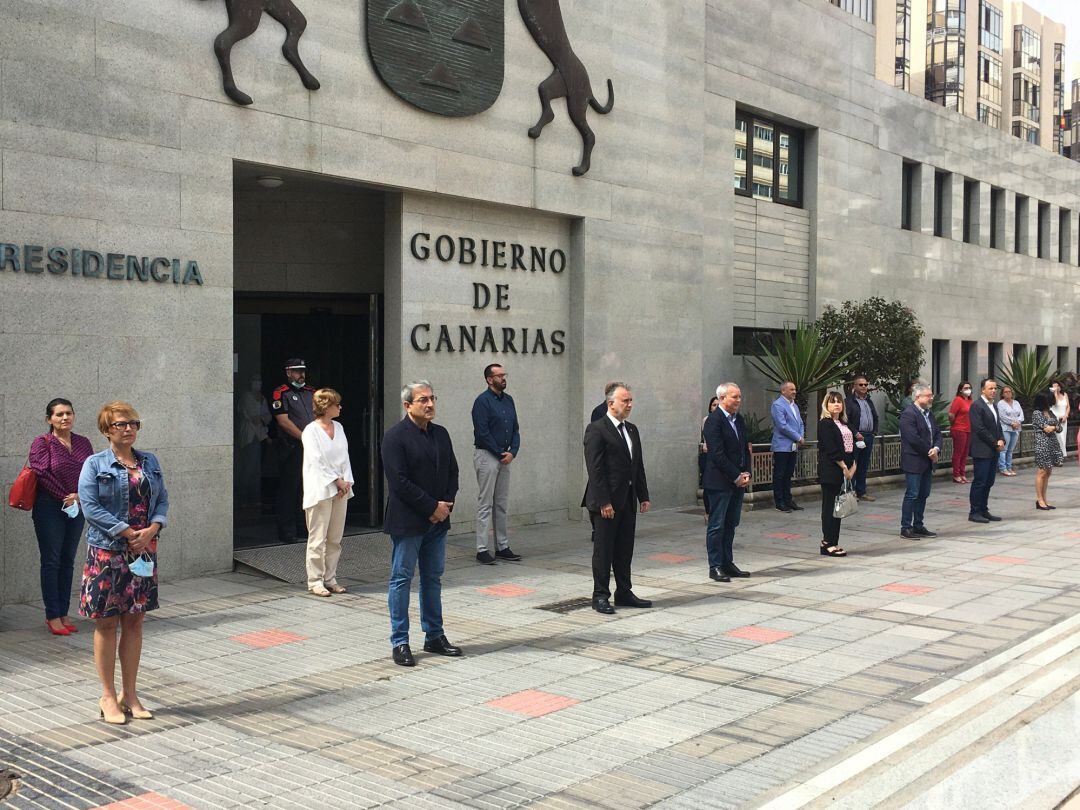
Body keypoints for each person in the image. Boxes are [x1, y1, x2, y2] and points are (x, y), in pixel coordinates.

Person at [78, 402, 168, 725]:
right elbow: (89, 507)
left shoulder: (150, 462)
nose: (128, 428)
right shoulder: (94, 464)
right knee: (106, 624)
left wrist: (153, 528)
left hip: (143, 552)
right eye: (120, 424)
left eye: (133, 423)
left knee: (135, 622)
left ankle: (129, 694)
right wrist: (127, 531)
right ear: (106, 430)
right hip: (107, 554)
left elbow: (162, 500)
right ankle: (107, 695)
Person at [381, 381, 461, 667]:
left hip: (438, 522)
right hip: (409, 522)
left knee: (432, 579)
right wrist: (431, 507)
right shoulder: (395, 437)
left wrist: (445, 505)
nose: (430, 404)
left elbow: (453, 472)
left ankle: (434, 635)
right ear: (407, 405)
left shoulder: (441, 434)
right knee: (401, 579)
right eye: (423, 400)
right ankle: (400, 641)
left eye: (432, 398)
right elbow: (399, 482)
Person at [582, 383, 651, 614]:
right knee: (604, 550)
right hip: (606, 503)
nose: (630, 405)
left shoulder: (631, 429)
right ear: (611, 404)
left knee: (624, 549)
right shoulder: (596, 429)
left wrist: (643, 494)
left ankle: (624, 591)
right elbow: (595, 469)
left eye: (631, 400)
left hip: (627, 500)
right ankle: (600, 595)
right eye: (625, 401)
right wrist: (604, 502)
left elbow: (637, 465)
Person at [28, 398, 94, 636]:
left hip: (77, 508)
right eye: (59, 414)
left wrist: (79, 496)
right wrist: (66, 496)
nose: (64, 418)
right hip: (49, 508)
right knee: (52, 560)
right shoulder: (42, 442)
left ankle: (64, 613)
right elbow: (41, 472)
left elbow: (91, 473)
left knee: (67, 560)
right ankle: (52, 615)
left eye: (68, 413)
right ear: (50, 419)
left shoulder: (83, 443)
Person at [301, 389, 353, 597]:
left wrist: (347, 480)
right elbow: (317, 460)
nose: (340, 407)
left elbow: (345, 455)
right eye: (336, 404)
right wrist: (337, 480)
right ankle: (315, 580)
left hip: (340, 490)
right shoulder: (310, 431)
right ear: (326, 407)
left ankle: (330, 578)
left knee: (334, 538)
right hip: (321, 489)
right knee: (318, 537)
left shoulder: (338, 427)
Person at [472, 364, 522, 565]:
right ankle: (482, 549)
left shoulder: (508, 400)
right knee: (486, 503)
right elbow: (482, 432)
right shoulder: (482, 402)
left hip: (504, 456)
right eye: (499, 375)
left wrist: (513, 451)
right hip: (487, 455)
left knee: (501, 503)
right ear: (488, 379)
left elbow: (516, 429)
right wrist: (500, 452)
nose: (503, 378)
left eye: (504, 375)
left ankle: (502, 546)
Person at [701, 382, 751, 583]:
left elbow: (744, 448)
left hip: (737, 481)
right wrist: (735, 475)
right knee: (717, 525)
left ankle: (727, 562)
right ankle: (715, 566)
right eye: (734, 397)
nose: (738, 400)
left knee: (731, 524)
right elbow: (717, 454)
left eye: (739, 396)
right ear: (722, 399)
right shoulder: (714, 421)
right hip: (720, 481)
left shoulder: (739, 420)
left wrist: (745, 471)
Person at [270, 358, 315, 543]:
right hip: (291, 446)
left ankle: (303, 528)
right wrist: (305, 437)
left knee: (307, 488)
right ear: (288, 373)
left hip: (311, 448)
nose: (301, 374)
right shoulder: (281, 393)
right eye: (297, 371)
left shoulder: (311, 392)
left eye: (303, 371)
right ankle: (287, 531)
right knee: (289, 489)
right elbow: (283, 421)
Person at [899, 384, 942, 539]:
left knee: (923, 494)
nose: (931, 398)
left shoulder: (929, 414)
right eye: (928, 395)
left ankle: (918, 525)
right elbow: (912, 438)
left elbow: (937, 433)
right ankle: (906, 527)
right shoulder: (908, 414)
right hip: (914, 460)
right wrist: (929, 451)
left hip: (927, 460)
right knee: (912, 494)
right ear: (918, 397)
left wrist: (936, 448)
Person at [817, 391, 856, 557]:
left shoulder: (844, 423)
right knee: (829, 508)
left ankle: (834, 541)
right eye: (832, 402)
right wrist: (844, 467)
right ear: (826, 405)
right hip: (831, 470)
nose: (836, 405)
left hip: (845, 470)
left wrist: (853, 467)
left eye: (839, 402)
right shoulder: (825, 424)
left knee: (838, 508)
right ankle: (827, 542)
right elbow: (831, 449)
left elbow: (852, 446)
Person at [968, 378, 1005, 524]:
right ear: (983, 389)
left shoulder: (994, 406)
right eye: (990, 388)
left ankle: (984, 509)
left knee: (989, 481)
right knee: (980, 481)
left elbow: (998, 426)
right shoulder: (977, 406)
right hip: (982, 449)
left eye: (995, 388)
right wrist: (995, 442)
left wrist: (1001, 439)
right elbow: (979, 429)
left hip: (993, 449)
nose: (994, 391)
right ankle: (974, 511)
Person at [769, 382, 804, 513]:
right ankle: (779, 502)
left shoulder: (794, 405)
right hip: (782, 446)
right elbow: (782, 425)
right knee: (780, 474)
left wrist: (801, 435)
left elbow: (800, 422)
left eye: (795, 389)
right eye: (791, 389)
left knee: (788, 474)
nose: (794, 392)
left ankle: (788, 500)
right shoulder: (778, 405)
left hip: (793, 445)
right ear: (783, 391)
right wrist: (798, 437)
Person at [236, 375, 270, 505]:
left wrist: (262, 418)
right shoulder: (247, 397)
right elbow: (254, 417)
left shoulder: (262, 398)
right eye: (255, 381)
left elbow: (268, 417)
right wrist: (262, 418)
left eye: (259, 381)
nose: (257, 384)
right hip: (250, 437)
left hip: (262, 437)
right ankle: (243, 498)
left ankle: (254, 498)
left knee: (257, 468)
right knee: (248, 468)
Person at [844, 376, 878, 501]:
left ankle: (861, 492)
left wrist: (874, 432)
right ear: (854, 386)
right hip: (855, 438)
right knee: (853, 465)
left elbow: (875, 417)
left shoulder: (869, 401)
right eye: (861, 385)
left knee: (864, 465)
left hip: (868, 437)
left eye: (865, 384)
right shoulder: (848, 401)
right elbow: (845, 420)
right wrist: (855, 433)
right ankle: (851, 493)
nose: (864, 387)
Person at [1031, 391, 1063, 510]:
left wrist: (1054, 427)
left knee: (1048, 472)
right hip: (1042, 444)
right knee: (1042, 471)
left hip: (1052, 444)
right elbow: (1047, 429)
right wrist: (1054, 427)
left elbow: (1059, 428)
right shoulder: (1037, 413)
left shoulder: (1050, 412)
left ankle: (1044, 499)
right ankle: (1039, 500)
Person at [948, 382, 973, 484]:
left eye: (969, 388)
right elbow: (951, 415)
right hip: (959, 429)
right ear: (960, 390)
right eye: (965, 388)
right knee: (958, 453)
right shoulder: (958, 400)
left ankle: (962, 473)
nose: (968, 389)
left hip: (968, 429)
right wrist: (954, 424)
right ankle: (956, 474)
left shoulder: (970, 401)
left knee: (965, 453)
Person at [996, 387, 1023, 477]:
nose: (1008, 393)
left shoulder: (1016, 403)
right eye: (1005, 392)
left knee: (1010, 450)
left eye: (1009, 392)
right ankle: (1003, 468)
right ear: (1002, 394)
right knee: (1004, 449)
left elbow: (1021, 415)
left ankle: (1009, 467)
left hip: (1016, 429)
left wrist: (1017, 422)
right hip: (1006, 428)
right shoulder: (1001, 403)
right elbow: (1002, 416)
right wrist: (1012, 423)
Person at [698, 396, 719, 489]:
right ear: (710, 407)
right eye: (714, 405)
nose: (716, 407)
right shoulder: (706, 419)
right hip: (708, 453)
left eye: (719, 405)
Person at [1050, 381, 1070, 460]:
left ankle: (1060, 456)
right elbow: (1056, 403)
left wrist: (1066, 415)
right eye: (1054, 386)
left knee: (1062, 437)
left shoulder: (1065, 394)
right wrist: (1055, 393)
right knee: (1058, 438)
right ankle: (1057, 456)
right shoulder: (1051, 396)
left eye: (1057, 385)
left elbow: (1068, 406)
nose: (1056, 387)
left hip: (1064, 419)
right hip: (1055, 419)